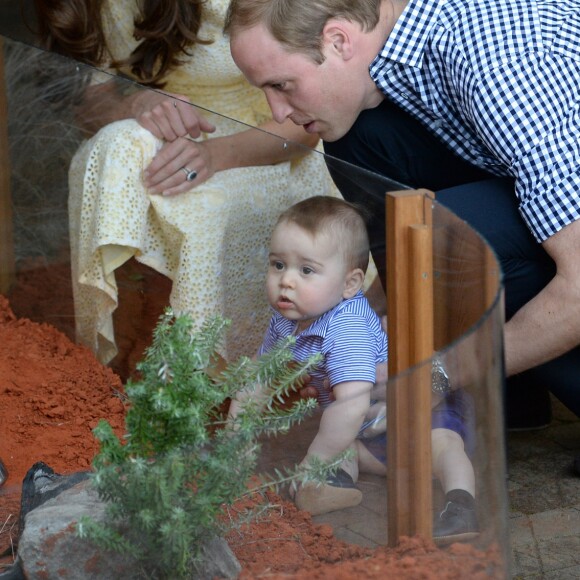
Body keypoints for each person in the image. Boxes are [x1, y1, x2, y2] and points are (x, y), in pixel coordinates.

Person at [224, 0, 580, 473]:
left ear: (338, 40)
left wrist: (431, 376)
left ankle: (454, 379)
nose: (279, 112)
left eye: (281, 86)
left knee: (441, 235)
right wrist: (336, 341)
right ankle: (511, 393)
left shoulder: (498, 63)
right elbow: (406, 267)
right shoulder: (405, 52)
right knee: (361, 141)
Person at [31, 0, 342, 369]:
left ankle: (198, 370)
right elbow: (88, 98)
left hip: (270, 139)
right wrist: (134, 106)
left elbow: (311, 115)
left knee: (199, 207)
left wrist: (215, 155)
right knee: (110, 148)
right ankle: (109, 351)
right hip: (176, 134)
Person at [229, 196, 478, 540]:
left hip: (419, 410)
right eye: (277, 265)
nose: (286, 281)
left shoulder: (347, 328)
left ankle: (461, 504)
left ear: (349, 284)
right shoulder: (289, 317)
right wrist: (234, 440)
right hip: (370, 431)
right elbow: (260, 376)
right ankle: (330, 486)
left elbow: (352, 404)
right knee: (341, 446)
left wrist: (312, 463)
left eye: (306, 270)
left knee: (442, 446)